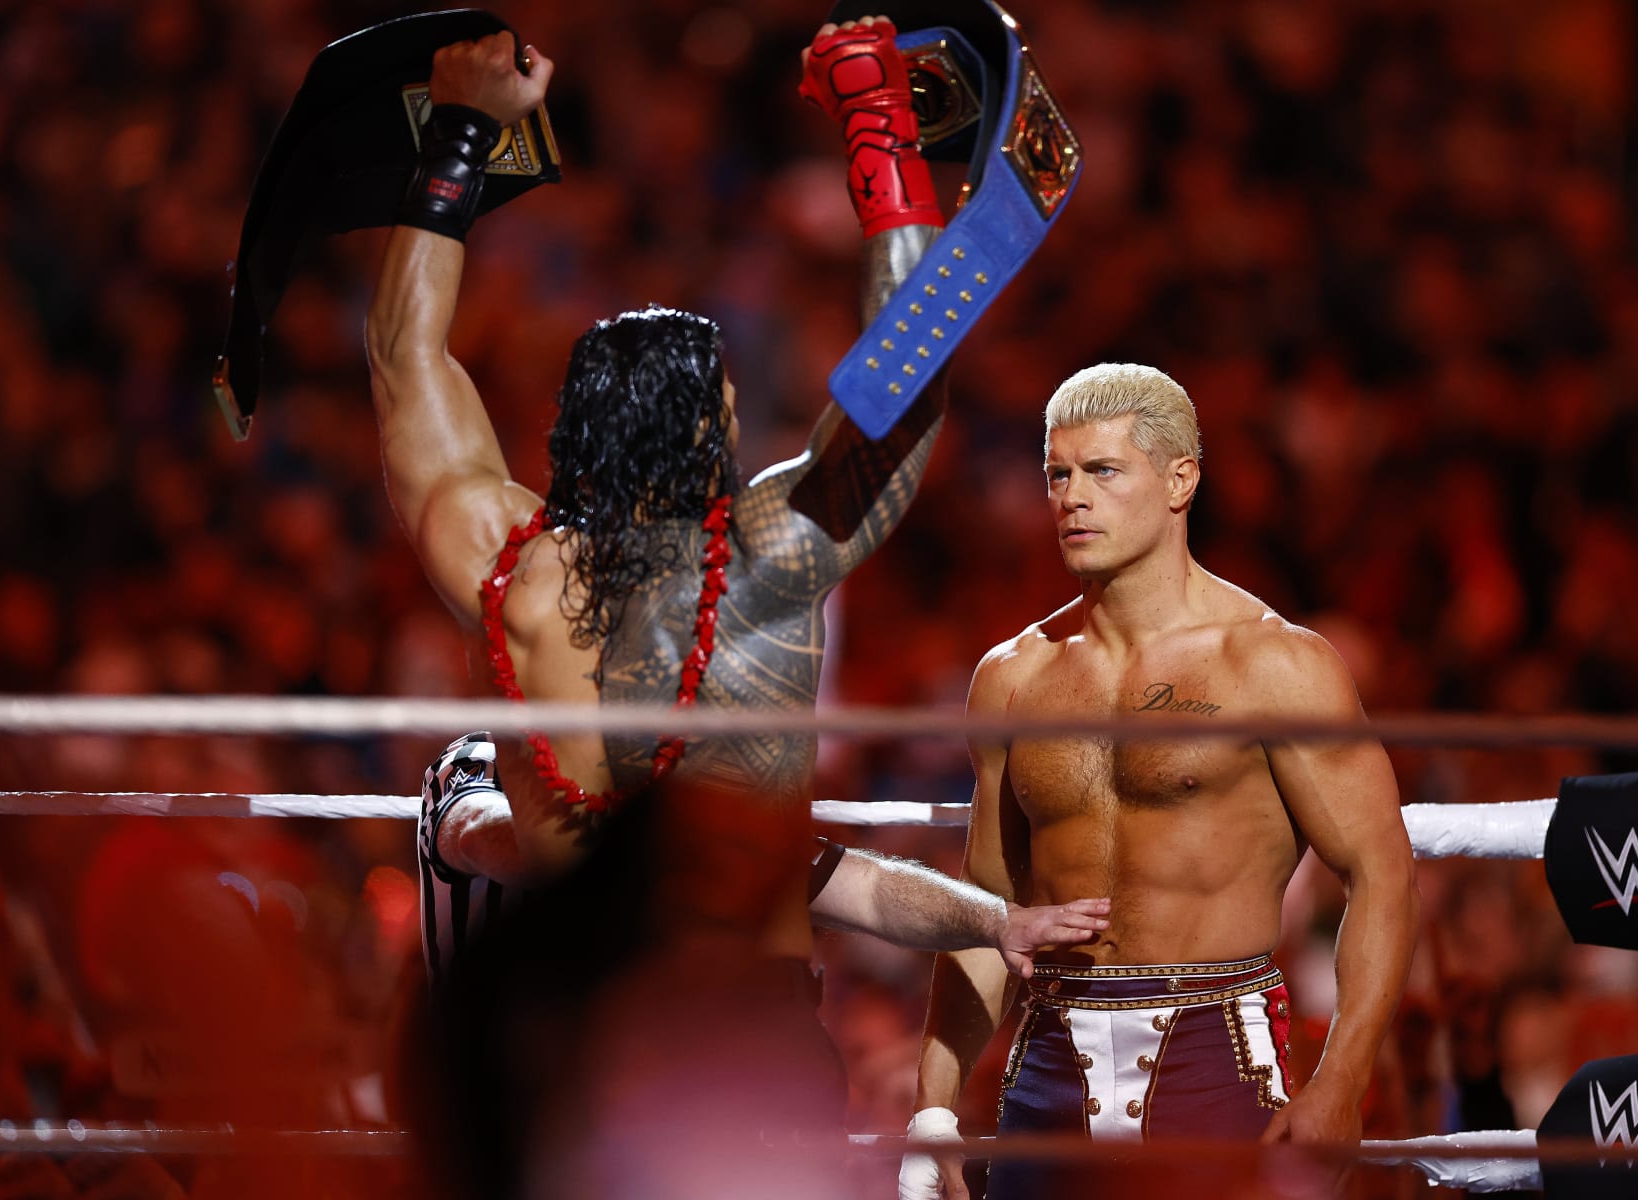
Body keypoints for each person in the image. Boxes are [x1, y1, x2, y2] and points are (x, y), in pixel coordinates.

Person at [366, 28, 1108, 993]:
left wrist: (461, 125)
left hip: (590, 1043)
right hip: (743, 1040)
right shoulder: (770, 558)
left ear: (572, 430)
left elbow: (400, 355)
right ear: (717, 426)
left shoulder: (500, 563)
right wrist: (880, 128)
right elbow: (905, 389)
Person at [904, 363, 1421, 1198]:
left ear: (1181, 480)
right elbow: (990, 909)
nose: (1072, 497)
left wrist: (1342, 1078)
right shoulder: (1012, 678)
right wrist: (933, 1111)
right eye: (1058, 475)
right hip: (1046, 1074)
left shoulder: (1274, 665)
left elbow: (1380, 870)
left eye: (1103, 471)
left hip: (1214, 1065)